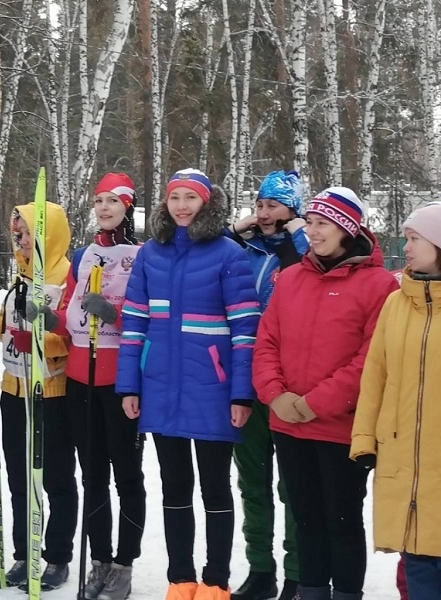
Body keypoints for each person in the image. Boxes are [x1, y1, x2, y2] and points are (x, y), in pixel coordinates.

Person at [116, 169, 260, 600]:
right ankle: (180, 580)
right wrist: (130, 386)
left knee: (215, 488)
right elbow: (134, 324)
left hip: (212, 391)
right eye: (174, 197)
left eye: (190, 198)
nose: (181, 205)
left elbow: (245, 330)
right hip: (160, 388)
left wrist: (240, 393)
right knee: (175, 488)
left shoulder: (229, 254)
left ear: (206, 203)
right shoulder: (150, 255)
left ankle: (215, 581)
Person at [253, 187, 398, 600]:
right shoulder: (292, 277)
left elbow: (370, 360)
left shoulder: (378, 285)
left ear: (346, 229)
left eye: (322, 225)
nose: (312, 232)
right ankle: (311, 592)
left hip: (340, 429)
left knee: (342, 521)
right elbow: (267, 342)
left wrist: (313, 404)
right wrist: (276, 395)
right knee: (306, 520)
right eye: (311, 223)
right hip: (288, 425)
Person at [56, 173, 146, 600]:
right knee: (92, 476)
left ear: (128, 206)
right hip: (80, 377)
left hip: (121, 379)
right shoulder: (82, 256)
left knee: (126, 476)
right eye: (98, 200)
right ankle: (100, 560)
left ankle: (124, 564)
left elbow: (149, 321)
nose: (104, 207)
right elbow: (68, 315)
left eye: (113, 201)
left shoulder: (142, 256)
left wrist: (115, 316)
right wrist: (45, 317)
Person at [351, 203, 441, 598]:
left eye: (414, 238)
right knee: (417, 561)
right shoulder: (396, 302)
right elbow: (375, 378)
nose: (405, 247)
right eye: (405, 238)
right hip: (404, 462)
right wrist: (365, 440)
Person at [0, 199, 77, 590]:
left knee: (56, 477)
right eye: (17, 232)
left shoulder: (68, 276)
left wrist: (38, 341)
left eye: (26, 232)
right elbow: (5, 331)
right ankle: (25, 552)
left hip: (52, 393)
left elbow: (73, 338)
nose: (19, 239)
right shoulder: (21, 276)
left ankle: (56, 557)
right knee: (20, 478)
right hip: (13, 388)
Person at [228, 171, 307, 600]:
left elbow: (318, 259)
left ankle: (298, 573)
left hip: (289, 385)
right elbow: (206, 243)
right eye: (259, 205)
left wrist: (296, 229)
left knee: (292, 487)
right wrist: (244, 225)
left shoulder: (302, 253)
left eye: (273, 205)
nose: (263, 213)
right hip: (247, 379)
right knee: (252, 483)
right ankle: (261, 570)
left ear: (294, 209)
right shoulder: (249, 249)